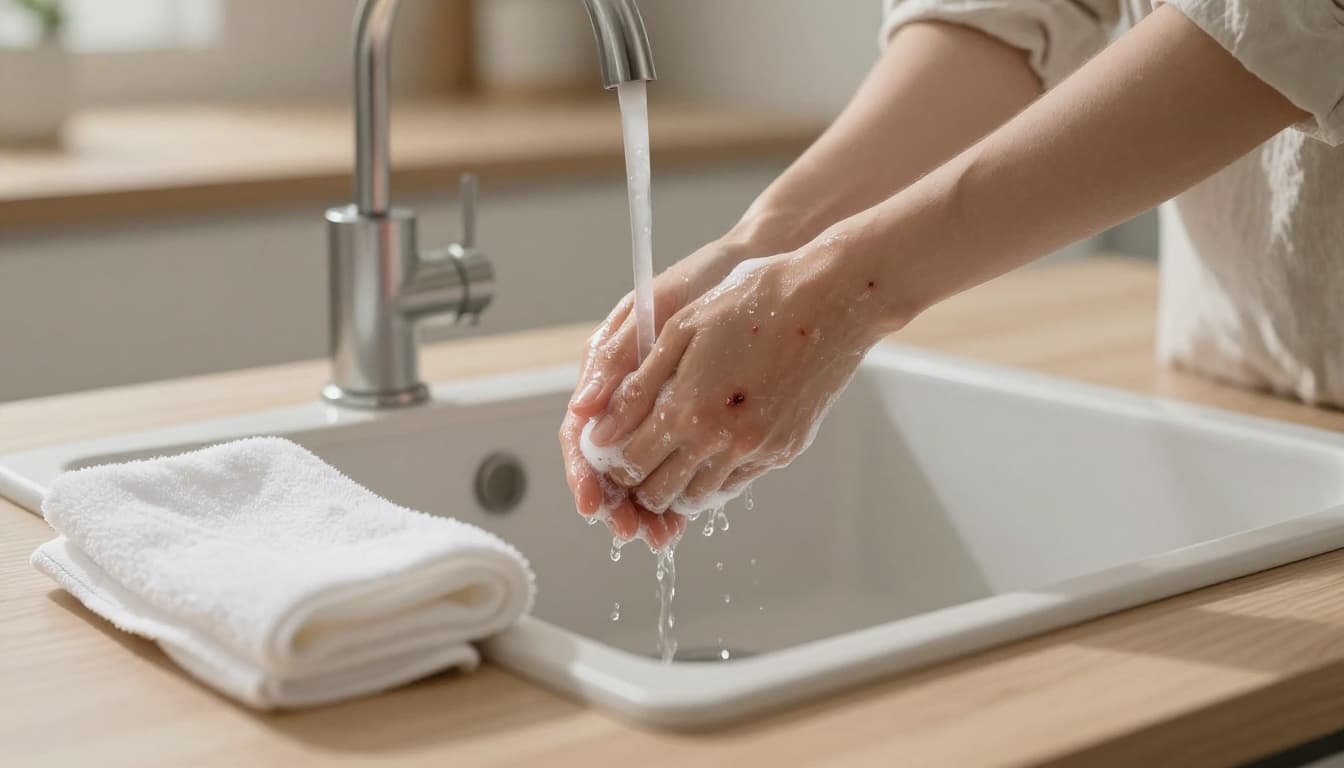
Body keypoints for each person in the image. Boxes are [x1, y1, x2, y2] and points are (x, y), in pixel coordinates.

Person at [559, 1, 1344, 549]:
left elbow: (1288, 17)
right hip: (1229, 381)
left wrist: (844, 290)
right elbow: (1008, 11)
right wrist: (767, 244)